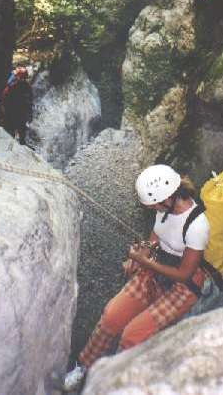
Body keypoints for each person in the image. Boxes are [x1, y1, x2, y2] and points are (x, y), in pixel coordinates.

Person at [63, 164, 209, 392]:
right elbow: (155, 238)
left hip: (183, 285)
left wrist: (143, 261)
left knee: (132, 335)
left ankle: (117, 380)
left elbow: (185, 274)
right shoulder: (165, 209)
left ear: (167, 198)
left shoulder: (197, 226)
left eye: (153, 205)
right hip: (157, 268)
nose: (152, 210)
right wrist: (142, 252)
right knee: (111, 316)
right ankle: (83, 366)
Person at [1, 66, 33, 145]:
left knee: (10, 134)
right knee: (21, 135)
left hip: (13, 115)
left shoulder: (12, 85)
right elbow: (30, 102)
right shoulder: (27, 87)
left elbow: (4, 98)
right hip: (20, 115)